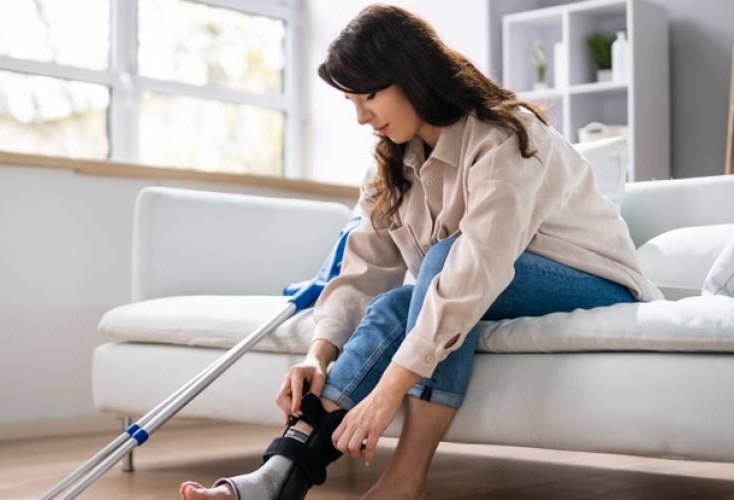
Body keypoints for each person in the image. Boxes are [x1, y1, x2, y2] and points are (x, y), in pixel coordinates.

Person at [180, 4, 662, 499]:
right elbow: (362, 270)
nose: (361, 116)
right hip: (489, 283)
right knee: (394, 303)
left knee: (443, 266)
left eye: (369, 95)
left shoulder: (506, 136)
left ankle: (405, 479)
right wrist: (318, 355)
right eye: (351, 100)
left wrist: (387, 392)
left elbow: (473, 270)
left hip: (596, 281)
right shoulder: (391, 162)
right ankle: (277, 478)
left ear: (412, 75)